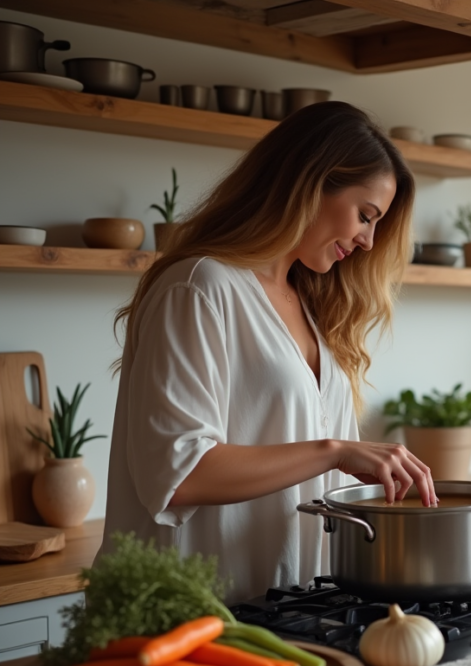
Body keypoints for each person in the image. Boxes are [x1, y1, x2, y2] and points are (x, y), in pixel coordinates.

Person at [103, 101, 437, 604]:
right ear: (310, 183)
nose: (369, 241)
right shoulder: (200, 287)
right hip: (193, 613)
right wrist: (338, 451)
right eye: (365, 216)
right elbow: (178, 475)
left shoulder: (314, 307)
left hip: (292, 609)